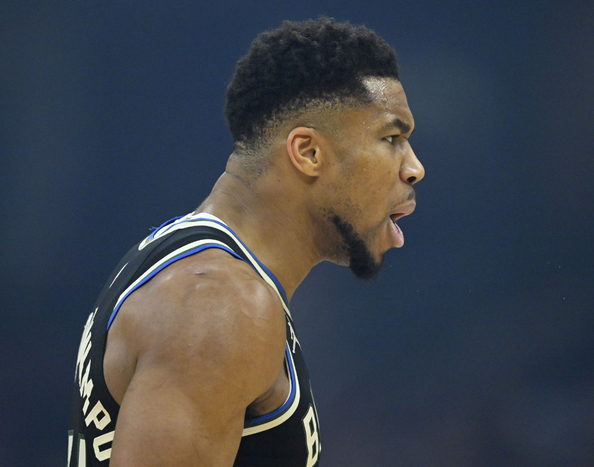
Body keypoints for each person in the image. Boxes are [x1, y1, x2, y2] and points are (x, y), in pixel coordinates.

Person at [68, 17, 425, 466]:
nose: (414, 168)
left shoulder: (198, 271)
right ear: (309, 153)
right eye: (391, 138)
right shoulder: (217, 305)